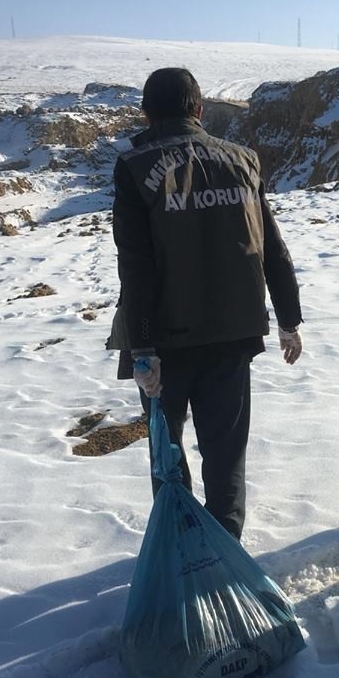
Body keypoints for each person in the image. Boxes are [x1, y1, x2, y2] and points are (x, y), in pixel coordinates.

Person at [107, 67, 303, 540]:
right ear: (198, 109)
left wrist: (143, 347)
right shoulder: (243, 160)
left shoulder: (135, 167)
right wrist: (289, 318)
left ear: (146, 114)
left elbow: (136, 265)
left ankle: (182, 550)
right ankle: (226, 553)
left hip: (164, 341)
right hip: (233, 336)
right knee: (226, 456)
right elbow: (271, 246)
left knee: (166, 455)